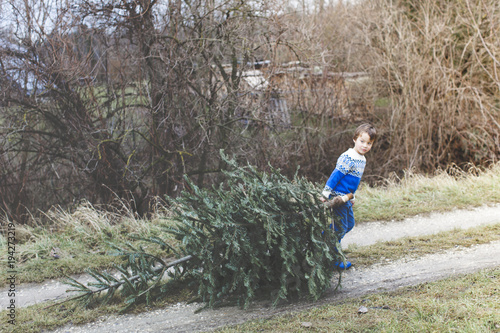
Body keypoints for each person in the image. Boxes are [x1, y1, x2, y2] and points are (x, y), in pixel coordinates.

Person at [321, 123, 377, 269]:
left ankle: (326, 235)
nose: (365, 145)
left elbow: (353, 182)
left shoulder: (362, 159)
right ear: (354, 139)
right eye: (362, 141)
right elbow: (335, 176)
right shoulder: (348, 157)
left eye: (369, 143)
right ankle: (333, 258)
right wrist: (326, 193)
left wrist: (352, 197)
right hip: (338, 198)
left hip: (347, 198)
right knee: (340, 228)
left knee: (349, 224)